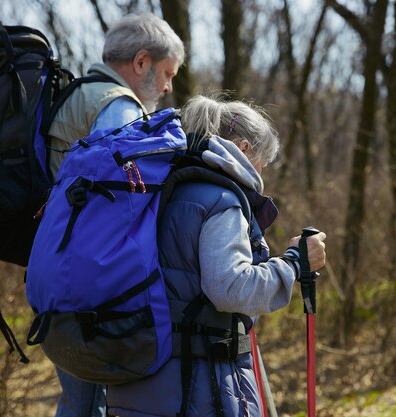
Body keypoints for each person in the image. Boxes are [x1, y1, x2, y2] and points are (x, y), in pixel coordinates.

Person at [105, 94, 327, 417]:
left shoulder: (163, 189)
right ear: (244, 149)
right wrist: (295, 261)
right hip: (195, 389)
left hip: (138, 378)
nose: (262, 174)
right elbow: (231, 288)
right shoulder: (221, 200)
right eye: (263, 163)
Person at [45, 13, 184, 417]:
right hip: (98, 286)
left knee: (78, 400)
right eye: (167, 73)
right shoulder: (118, 108)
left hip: (61, 272)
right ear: (142, 62)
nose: (168, 86)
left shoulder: (78, 93)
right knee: (96, 405)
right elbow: (128, 206)